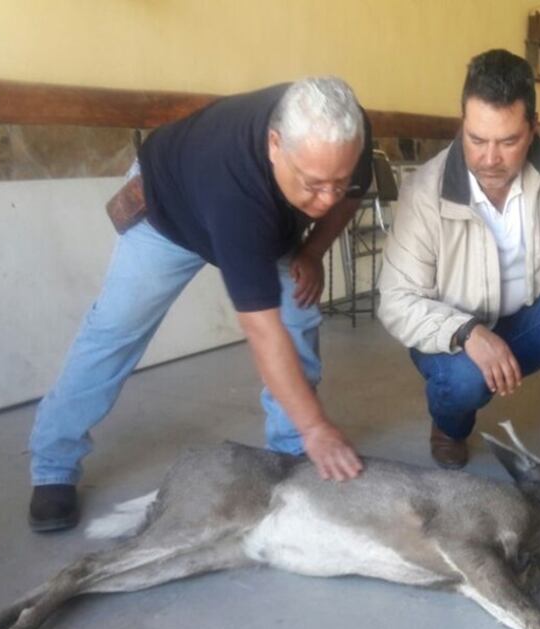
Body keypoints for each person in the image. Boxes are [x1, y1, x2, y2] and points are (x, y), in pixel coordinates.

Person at [27, 77, 371, 532]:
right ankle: (53, 462)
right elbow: (262, 329)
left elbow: (351, 194)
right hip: (170, 215)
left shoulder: (347, 136)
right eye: (313, 184)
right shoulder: (232, 187)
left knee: (299, 314)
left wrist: (311, 251)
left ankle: (290, 454)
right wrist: (318, 426)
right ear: (275, 145)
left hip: (266, 221)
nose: (326, 200)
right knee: (114, 330)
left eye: (337, 182)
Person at [377, 49, 540, 474]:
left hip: (529, 319)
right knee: (464, 381)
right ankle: (449, 427)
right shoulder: (424, 193)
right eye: (476, 139)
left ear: (533, 127)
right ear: (463, 123)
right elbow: (397, 300)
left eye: (508, 141)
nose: (490, 158)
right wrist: (466, 332)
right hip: (453, 333)